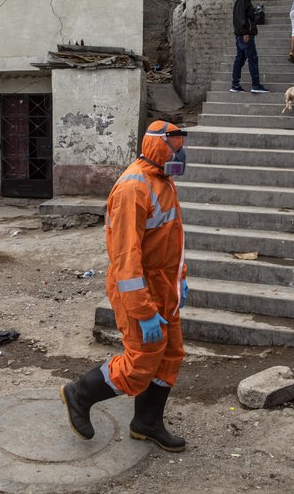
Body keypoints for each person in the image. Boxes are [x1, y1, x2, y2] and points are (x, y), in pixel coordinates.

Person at [60, 120, 188, 453]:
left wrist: (181, 279)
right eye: (175, 145)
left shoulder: (163, 181)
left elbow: (172, 241)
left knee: (169, 355)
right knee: (140, 364)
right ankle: (79, 393)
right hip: (139, 291)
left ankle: (147, 423)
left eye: (181, 144)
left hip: (164, 286)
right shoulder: (134, 188)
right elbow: (125, 261)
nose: (181, 152)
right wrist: (143, 311)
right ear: (159, 146)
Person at [230, 0, 269, 94]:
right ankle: (255, 85)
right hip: (245, 36)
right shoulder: (243, 1)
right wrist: (245, 33)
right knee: (252, 59)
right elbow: (241, 18)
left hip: (241, 36)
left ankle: (235, 85)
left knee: (240, 59)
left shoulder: (245, 1)